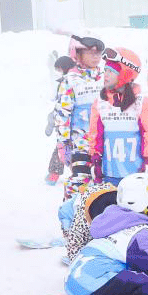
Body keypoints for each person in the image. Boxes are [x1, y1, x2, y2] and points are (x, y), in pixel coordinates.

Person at [88, 47, 148, 185]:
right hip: (109, 174)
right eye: (105, 70)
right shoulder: (100, 104)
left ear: (125, 73)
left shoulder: (142, 103)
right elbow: (95, 134)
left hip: (135, 175)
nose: (106, 75)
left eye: (111, 71)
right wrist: (95, 159)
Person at [52, 34, 106, 198]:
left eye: (98, 53)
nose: (95, 57)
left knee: (103, 185)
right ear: (78, 55)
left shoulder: (106, 77)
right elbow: (63, 113)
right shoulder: (71, 80)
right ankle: (72, 217)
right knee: (80, 183)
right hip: (80, 143)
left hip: (104, 143)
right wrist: (63, 143)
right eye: (90, 53)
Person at [45, 55, 77, 185]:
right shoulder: (69, 79)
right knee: (68, 149)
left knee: (63, 149)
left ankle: (55, 174)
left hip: (69, 122)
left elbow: (65, 104)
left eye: (58, 69)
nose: (57, 72)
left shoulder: (69, 81)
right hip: (71, 123)